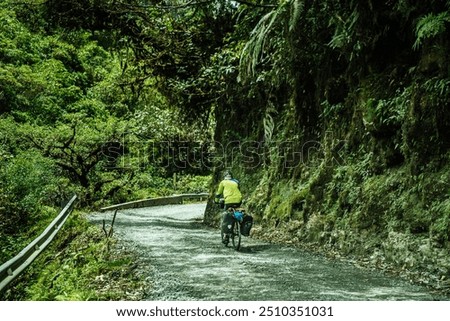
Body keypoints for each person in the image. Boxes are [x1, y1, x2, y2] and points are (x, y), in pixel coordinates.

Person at [214, 170, 242, 244]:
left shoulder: (223, 182)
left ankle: (226, 235)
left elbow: (219, 193)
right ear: (231, 177)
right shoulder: (236, 181)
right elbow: (238, 190)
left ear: (224, 177)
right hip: (238, 200)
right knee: (236, 211)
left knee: (226, 215)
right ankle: (237, 225)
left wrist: (216, 200)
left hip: (229, 201)